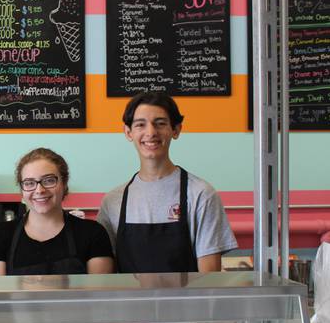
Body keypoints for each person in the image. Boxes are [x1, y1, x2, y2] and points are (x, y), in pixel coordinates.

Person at [0, 148, 114, 323]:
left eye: (49, 180)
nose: (39, 190)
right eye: (29, 183)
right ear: (21, 190)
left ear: (64, 185)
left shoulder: (92, 235)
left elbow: (98, 306)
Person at [98, 91, 237, 273]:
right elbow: (107, 276)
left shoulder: (201, 194)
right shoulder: (112, 201)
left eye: (160, 123)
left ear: (176, 130)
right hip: (131, 302)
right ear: (128, 132)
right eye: (141, 124)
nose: (151, 132)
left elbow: (208, 279)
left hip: (186, 301)